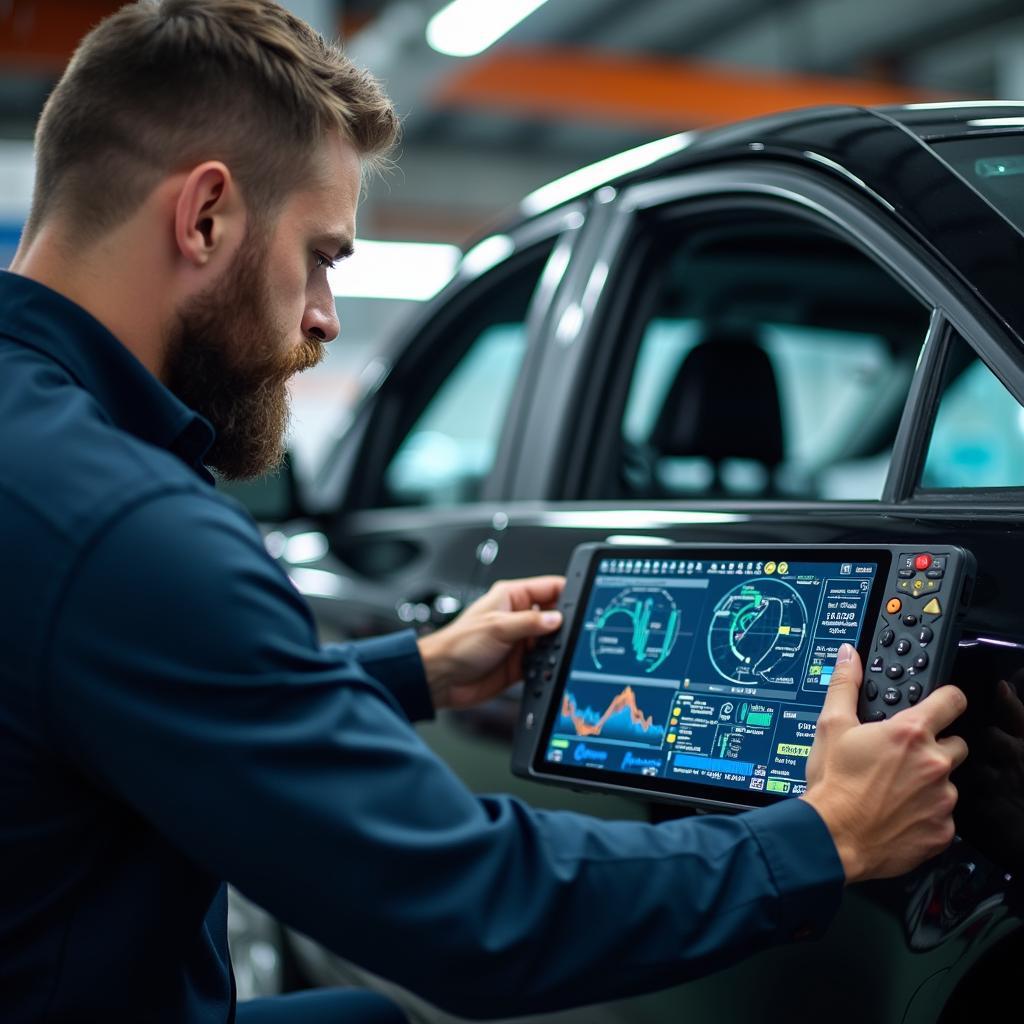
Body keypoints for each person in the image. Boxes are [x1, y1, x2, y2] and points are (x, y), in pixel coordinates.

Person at [0, 2, 968, 1022]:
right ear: (204, 216)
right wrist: (821, 837)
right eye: (323, 255)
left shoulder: (49, 464)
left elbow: (129, 688)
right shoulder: (129, 528)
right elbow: (467, 906)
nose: (325, 315)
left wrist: (415, 668)